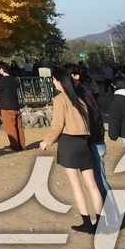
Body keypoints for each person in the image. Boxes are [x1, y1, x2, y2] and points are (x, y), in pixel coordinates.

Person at [39, 70, 108, 233]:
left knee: (77, 185)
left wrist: (47, 141)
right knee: (92, 185)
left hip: (69, 142)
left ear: (60, 81)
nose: (54, 83)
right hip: (84, 142)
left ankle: (86, 221)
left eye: (54, 80)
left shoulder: (60, 99)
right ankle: (101, 221)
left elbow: (57, 125)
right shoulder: (81, 99)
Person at [0, 64, 26, 151]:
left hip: (6, 106)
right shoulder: (13, 79)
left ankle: (14, 145)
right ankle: (22, 145)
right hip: (15, 105)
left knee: (10, 127)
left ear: (2, 70)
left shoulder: (2, 80)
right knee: (19, 126)